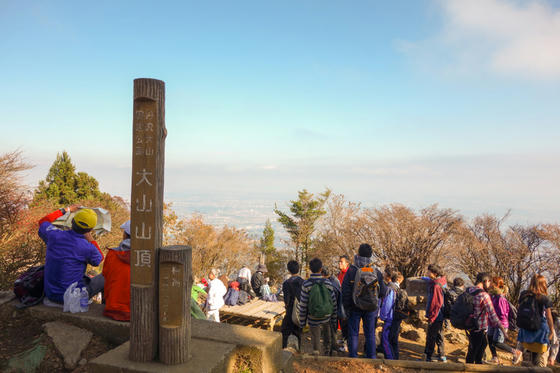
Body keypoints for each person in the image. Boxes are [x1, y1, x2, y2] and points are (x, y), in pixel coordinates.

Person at [38, 204, 104, 305]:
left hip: (51, 294)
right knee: (105, 277)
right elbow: (99, 259)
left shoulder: (54, 235)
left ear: (72, 222)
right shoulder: (87, 247)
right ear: (90, 230)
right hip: (72, 298)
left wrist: (66, 210)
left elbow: (43, 222)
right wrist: (90, 239)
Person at [341, 243, 386, 359]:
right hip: (371, 308)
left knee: (353, 333)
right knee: (370, 333)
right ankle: (371, 357)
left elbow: (345, 290)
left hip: (354, 306)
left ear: (358, 253)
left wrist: (347, 307)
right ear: (371, 255)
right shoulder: (376, 271)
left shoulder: (352, 270)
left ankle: (353, 356)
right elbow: (383, 292)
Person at [465, 272, 508, 365]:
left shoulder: (468, 290)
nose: (490, 285)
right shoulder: (484, 295)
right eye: (489, 282)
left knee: (482, 345)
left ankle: (478, 364)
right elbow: (493, 315)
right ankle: (470, 367)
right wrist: (503, 330)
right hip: (479, 327)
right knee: (473, 352)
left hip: (469, 324)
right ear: (485, 281)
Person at [514, 274, 556, 367]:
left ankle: (519, 355)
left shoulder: (524, 294)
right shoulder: (544, 298)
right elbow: (549, 317)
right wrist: (552, 331)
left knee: (527, 361)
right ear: (543, 284)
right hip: (539, 333)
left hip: (525, 332)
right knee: (538, 363)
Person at [298, 258, 338, 356]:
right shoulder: (328, 283)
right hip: (327, 315)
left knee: (315, 335)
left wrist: (302, 322)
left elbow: (303, 305)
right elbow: (333, 302)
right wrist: (334, 319)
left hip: (313, 316)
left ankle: (316, 353)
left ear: (310, 269)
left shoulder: (306, 284)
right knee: (327, 334)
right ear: (321, 269)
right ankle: (327, 352)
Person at [102, 221, 131, 321]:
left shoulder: (112, 254)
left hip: (112, 309)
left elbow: (105, 274)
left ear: (125, 235)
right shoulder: (146, 259)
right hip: (136, 311)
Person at [487, 277, 518, 364]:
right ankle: (494, 358)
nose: (490, 284)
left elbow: (503, 314)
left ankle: (515, 352)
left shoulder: (500, 298)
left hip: (501, 323)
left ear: (496, 285)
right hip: (492, 322)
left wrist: (501, 326)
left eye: (491, 282)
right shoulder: (493, 296)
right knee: (489, 339)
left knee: (497, 342)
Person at [421, 264, 447, 362]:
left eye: (429, 272)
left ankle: (427, 356)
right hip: (441, 314)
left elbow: (436, 303)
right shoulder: (442, 281)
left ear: (434, 273)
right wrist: (424, 278)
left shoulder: (436, 286)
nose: (427, 273)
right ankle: (442, 355)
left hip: (436, 314)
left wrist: (431, 317)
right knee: (439, 335)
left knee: (431, 336)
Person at [281, 260, 304, 349]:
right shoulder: (303, 282)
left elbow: (286, 300)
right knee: (298, 333)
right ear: (298, 269)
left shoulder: (286, 283)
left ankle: (284, 349)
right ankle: (298, 350)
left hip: (290, 311)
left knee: (285, 331)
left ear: (289, 270)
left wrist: (287, 304)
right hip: (300, 312)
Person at [379, 266, 398, 359]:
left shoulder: (390, 288)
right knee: (393, 340)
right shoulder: (396, 286)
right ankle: (395, 357)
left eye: (385, 272)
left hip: (389, 318)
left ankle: (390, 359)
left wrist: (382, 316)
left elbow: (387, 304)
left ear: (388, 276)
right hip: (395, 317)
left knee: (385, 340)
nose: (383, 274)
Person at [337, 255, 351, 351]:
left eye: (342, 262)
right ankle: (343, 339)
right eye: (339, 261)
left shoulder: (349, 274)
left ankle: (346, 344)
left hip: (347, 303)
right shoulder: (339, 274)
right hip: (340, 301)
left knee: (346, 323)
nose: (339, 263)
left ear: (347, 263)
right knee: (342, 322)